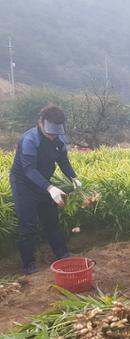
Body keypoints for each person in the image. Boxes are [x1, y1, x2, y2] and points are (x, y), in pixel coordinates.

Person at [9, 104, 81, 275]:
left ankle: (62, 254)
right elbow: (29, 170)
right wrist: (49, 187)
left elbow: (63, 161)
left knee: (51, 220)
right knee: (28, 224)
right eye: (49, 132)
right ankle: (29, 264)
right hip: (24, 184)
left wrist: (74, 177)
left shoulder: (59, 138)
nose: (52, 136)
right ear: (40, 122)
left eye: (55, 133)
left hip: (44, 184)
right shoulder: (30, 140)